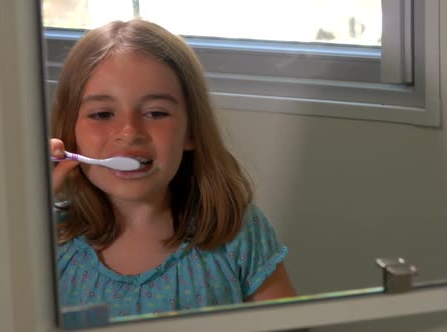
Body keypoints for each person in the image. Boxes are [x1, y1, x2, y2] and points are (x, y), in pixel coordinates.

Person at [50, 19, 296, 318]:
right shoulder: (47, 239)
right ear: (71, 134)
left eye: (155, 112)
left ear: (191, 131)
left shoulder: (238, 231)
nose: (129, 132)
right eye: (102, 114)